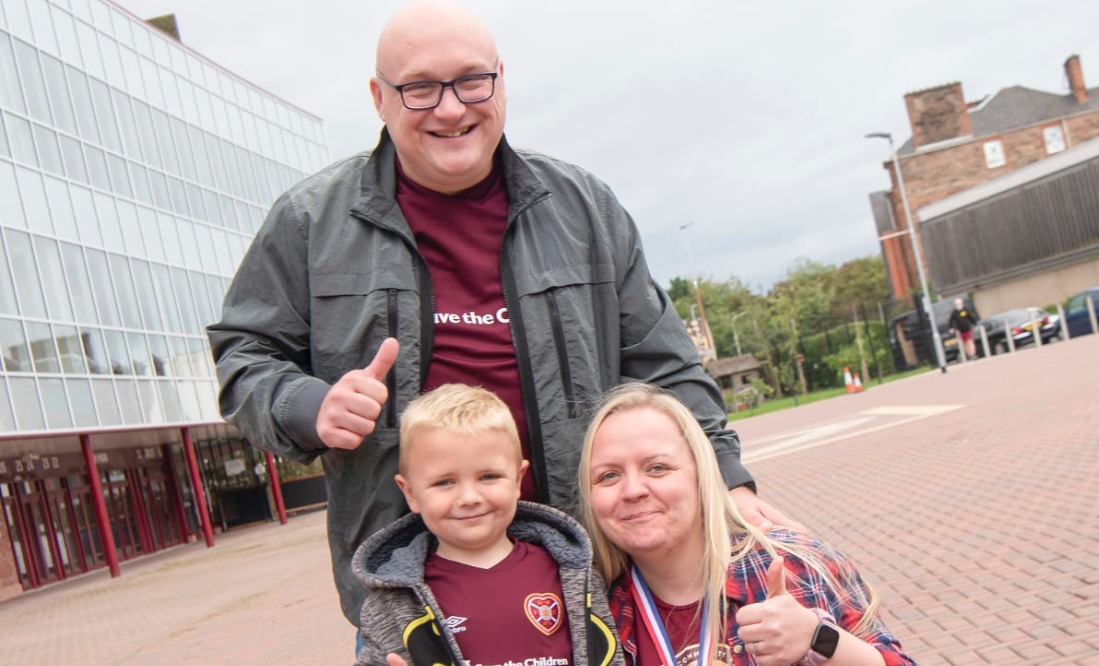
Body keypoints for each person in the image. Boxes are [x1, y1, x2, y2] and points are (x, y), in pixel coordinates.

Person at [206, 0, 790, 632]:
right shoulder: (308, 223)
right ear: (379, 97)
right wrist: (307, 405)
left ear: (501, 81)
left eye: (470, 80)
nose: (452, 108)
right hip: (417, 601)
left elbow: (664, 365)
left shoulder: (583, 208)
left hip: (594, 575)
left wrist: (729, 480)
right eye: (420, 88)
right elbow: (245, 356)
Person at [579, 383, 915, 666]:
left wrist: (819, 638)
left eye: (657, 468)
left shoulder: (791, 563)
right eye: (608, 476)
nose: (634, 490)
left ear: (701, 474)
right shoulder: (594, 614)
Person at [351, 384, 621, 666]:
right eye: (445, 482)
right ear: (410, 494)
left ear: (517, 480)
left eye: (489, 477)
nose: (469, 498)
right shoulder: (393, 602)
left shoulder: (574, 575)